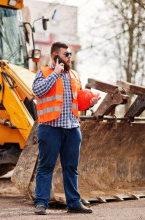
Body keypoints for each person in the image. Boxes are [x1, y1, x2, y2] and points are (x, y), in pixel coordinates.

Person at [32, 42, 100, 215]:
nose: (70, 56)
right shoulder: (44, 72)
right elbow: (37, 91)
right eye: (66, 54)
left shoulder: (74, 75)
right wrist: (55, 73)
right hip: (50, 128)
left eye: (70, 54)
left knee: (71, 167)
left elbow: (77, 101)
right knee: (46, 166)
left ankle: (74, 203)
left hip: (72, 128)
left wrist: (89, 103)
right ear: (55, 55)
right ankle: (41, 203)